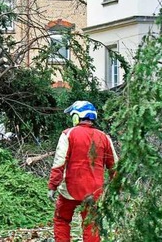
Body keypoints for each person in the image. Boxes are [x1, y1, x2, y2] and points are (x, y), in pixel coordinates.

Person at [48, 100, 118, 242]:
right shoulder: (104, 137)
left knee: (61, 219)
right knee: (91, 224)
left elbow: (59, 163)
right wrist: (117, 188)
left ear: (76, 116)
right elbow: (114, 166)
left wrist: (52, 186)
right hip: (94, 190)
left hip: (69, 189)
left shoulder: (68, 134)